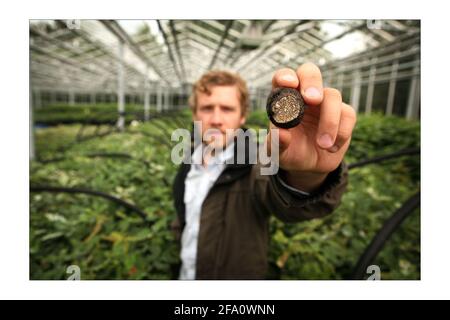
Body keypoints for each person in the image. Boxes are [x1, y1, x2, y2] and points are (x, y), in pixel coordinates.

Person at [171, 63, 357, 279]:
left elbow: (283, 200)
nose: (216, 119)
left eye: (227, 109)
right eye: (207, 108)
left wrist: (306, 175)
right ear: (195, 115)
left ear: (242, 117)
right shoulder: (189, 160)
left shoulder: (257, 162)